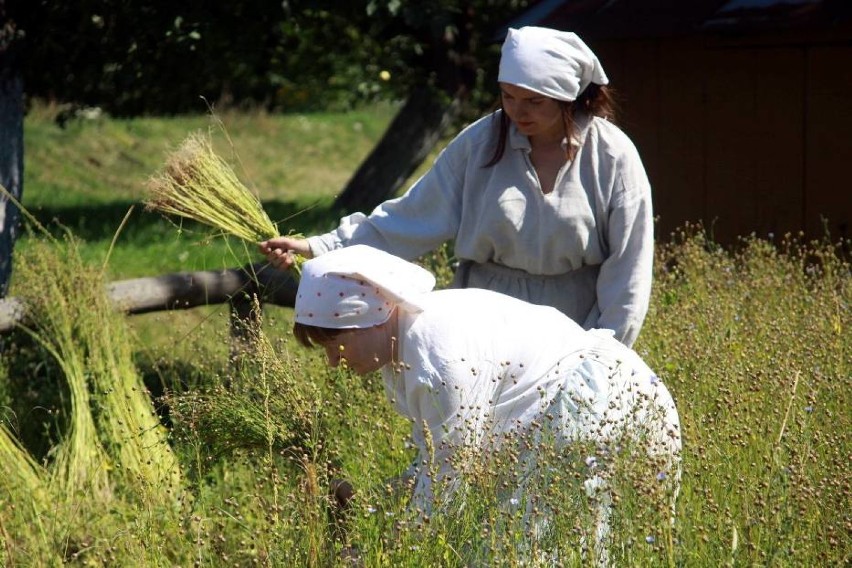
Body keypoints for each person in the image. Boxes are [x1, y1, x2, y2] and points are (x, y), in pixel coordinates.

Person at [261, 26, 654, 347]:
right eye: (508, 96)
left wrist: (607, 351)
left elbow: (629, 268)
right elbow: (410, 217)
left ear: (568, 97)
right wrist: (321, 246)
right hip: (486, 316)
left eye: (534, 101)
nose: (518, 112)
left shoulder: (613, 156)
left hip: (575, 322)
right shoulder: (481, 142)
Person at [292, 244, 681, 564]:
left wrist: (377, 550)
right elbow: (439, 459)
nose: (333, 361)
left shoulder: (435, 359)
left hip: (596, 407)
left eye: (334, 342)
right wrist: (380, 499)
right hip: (553, 418)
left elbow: (450, 480)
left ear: (370, 318)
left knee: (532, 551)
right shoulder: (399, 346)